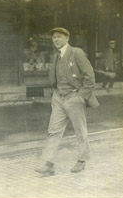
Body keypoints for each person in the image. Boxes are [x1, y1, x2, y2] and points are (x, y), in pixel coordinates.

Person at [35, 27, 99, 176]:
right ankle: (49, 164)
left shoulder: (77, 53)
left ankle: (82, 160)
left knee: (80, 130)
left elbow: (90, 77)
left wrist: (81, 97)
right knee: (53, 131)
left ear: (67, 38)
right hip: (58, 97)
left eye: (58, 37)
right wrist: (55, 94)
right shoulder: (55, 56)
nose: (55, 40)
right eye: (53, 38)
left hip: (73, 96)